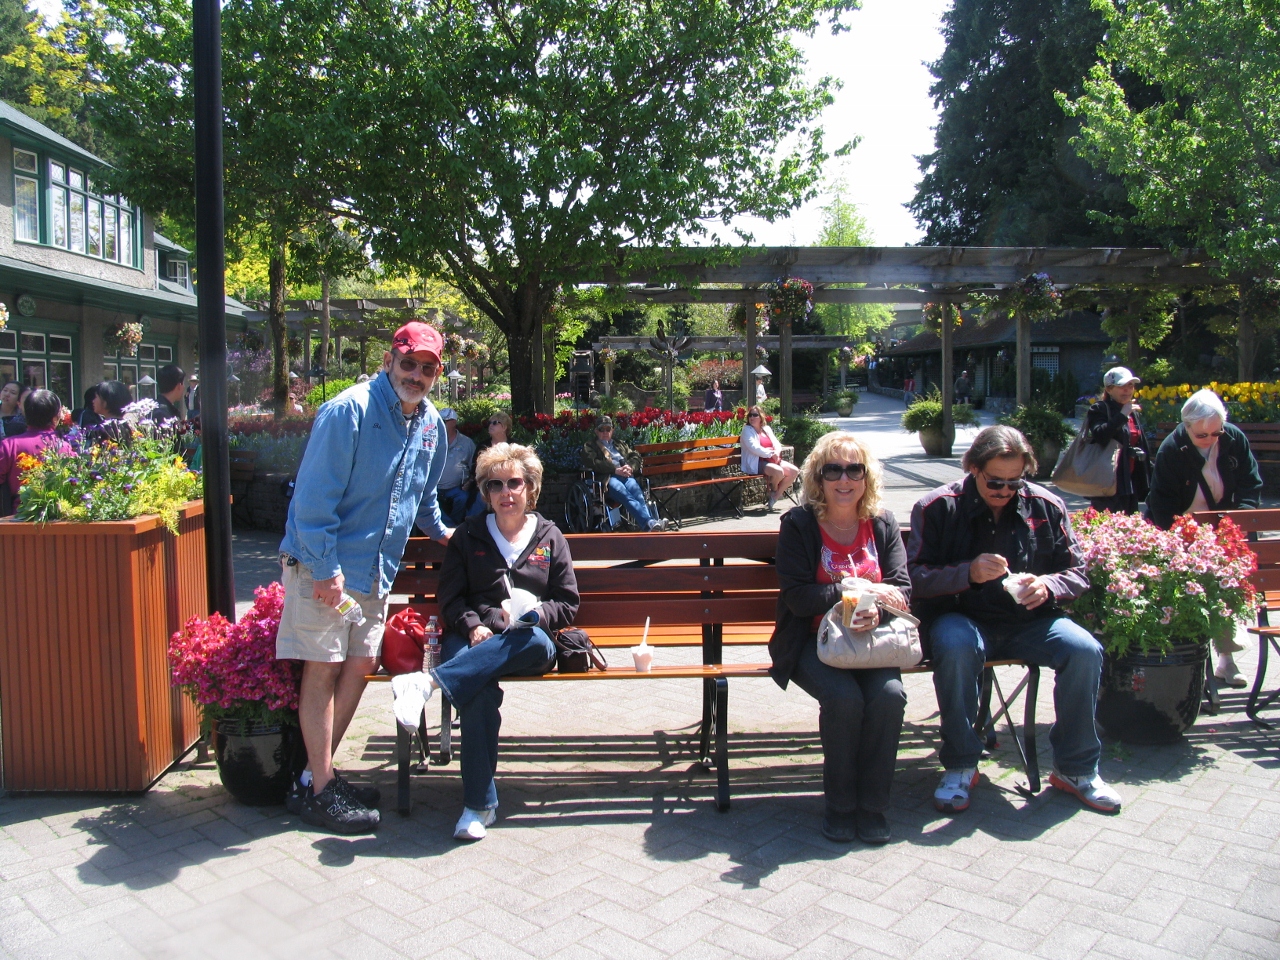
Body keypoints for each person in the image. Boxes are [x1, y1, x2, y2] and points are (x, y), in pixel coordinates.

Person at [276, 321, 452, 834]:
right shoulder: (347, 411)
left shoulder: (430, 424)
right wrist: (326, 571)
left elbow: (423, 495)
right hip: (324, 567)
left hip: (375, 572)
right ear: (387, 361)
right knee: (323, 669)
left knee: (357, 666)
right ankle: (322, 788)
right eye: (408, 363)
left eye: (427, 368)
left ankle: (315, 778)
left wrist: (444, 533)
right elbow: (312, 500)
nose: (416, 375)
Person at [908, 425, 1122, 815]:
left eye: (1014, 482)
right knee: (955, 647)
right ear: (973, 468)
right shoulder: (936, 507)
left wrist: (1048, 586)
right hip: (962, 616)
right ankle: (960, 763)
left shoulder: (1046, 505)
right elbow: (914, 578)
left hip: (1030, 621)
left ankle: (1076, 769)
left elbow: (1078, 572)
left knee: (1085, 650)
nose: (1005, 491)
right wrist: (967, 573)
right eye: (995, 482)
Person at [395, 443, 579, 841]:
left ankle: (428, 683)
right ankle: (479, 806)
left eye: (515, 483)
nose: (506, 492)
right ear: (485, 493)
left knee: (530, 641)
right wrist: (475, 623)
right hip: (474, 636)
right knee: (475, 690)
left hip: (529, 640)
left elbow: (567, 602)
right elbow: (451, 598)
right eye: (495, 485)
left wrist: (534, 616)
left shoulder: (550, 537)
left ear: (531, 488)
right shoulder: (469, 535)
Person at [769, 431, 909, 844]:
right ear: (818, 476)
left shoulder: (881, 523)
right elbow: (796, 598)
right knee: (844, 700)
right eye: (834, 470)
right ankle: (842, 806)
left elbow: (902, 587)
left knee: (888, 697)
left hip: (872, 641)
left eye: (854, 469)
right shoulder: (799, 525)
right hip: (813, 641)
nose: (844, 479)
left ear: (867, 477)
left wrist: (876, 610)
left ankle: (874, 807)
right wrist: (850, 591)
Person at [1147, 388, 1263, 688]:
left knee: (1226, 584)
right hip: (1181, 526)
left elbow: (1251, 483)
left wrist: (1237, 520)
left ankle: (1227, 660)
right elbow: (1161, 504)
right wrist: (1177, 540)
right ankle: (1190, 660)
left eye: (1216, 433)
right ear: (1187, 427)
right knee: (1195, 588)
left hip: (1222, 525)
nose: (1211, 439)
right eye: (1202, 435)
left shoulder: (1233, 438)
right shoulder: (1172, 450)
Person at [580, 414, 667, 531]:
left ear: (612, 430)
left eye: (608, 429)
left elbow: (635, 456)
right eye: (602, 429)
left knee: (638, 495)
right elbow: (593, 462)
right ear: (596, 431)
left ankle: (650, 524)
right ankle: (649, 523)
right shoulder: (590, 446)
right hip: (608, 479)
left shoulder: (620, 444)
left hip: (626, 475)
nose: (605, 432)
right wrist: (614, 469)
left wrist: (630, 467)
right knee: (625, 495)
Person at [1084, 366, 1151, 514]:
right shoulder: (1100, 409)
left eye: (1130, 385)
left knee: (1129, 529)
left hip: (1130, 480)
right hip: (1108, 480)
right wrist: (1122, 415)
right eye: (1121, 386)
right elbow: (1100, 435)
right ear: (1108, 389)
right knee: (1108, 527)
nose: (1127, 390)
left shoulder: (1131, 410)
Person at [0, 390, 71, 515]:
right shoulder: (65, 447)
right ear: (57, 415)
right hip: (57, 517)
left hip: (15, 519)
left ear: (25, 412)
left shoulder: (9, 445)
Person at [740, 405, 800, 512]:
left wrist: (776, 452)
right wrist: (771, 454)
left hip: (772, 459)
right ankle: (774, 489)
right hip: (757, 462)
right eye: (750, 415)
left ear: (761, 417)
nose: (752, 417)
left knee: (794, 471)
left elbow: (776, 443)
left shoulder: (766, 429)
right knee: (778, 472)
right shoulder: (747, 430)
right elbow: (754, 447)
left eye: (755, 415)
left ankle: (775, 496)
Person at [435, 407, 483, 525]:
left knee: (463, 498)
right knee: (425, 500)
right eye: (439, 421)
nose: (440, 424)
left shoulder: (466, 443)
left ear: (453, 422)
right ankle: (449, 526)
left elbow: (475, 466)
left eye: (444, 421)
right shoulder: (432, 440)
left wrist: (469, 482)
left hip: (457, 488)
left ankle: (455, 527)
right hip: (434, 487)